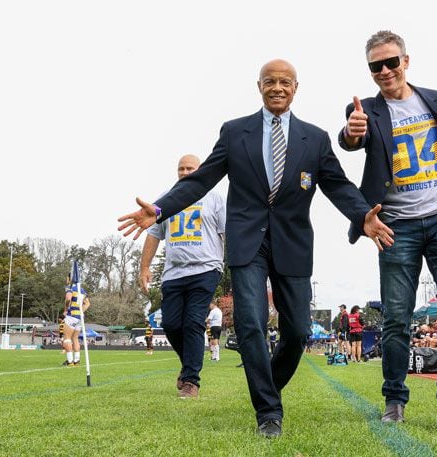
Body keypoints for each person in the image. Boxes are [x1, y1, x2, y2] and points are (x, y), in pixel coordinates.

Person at [118, 59, 390, 437]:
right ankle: (268, 412)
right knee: (250, 324)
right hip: (248, 243)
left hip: (293, 244)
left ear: (296, 88)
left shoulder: (315, 138)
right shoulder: (235, 133)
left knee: (296, 332)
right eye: (269, 82)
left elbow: (338, 185)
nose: (277, 88)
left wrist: (363, 217)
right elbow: (200, 182)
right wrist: (161, 208)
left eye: (285, 82)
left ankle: (267, 386)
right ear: (258, 86)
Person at [338, 30, 437, 430]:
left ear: (406, 61)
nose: (385, 71)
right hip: (395, 228)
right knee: (397, 318)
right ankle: (394, 401)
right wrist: (352, 133)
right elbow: (353, 137)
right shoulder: (367, 109)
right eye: (376, 66)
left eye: (391, 62)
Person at [138, 154, 226, 398]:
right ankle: (188, 364)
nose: (185, 172)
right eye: (181, 169)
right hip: (173, 273)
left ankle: (191, 381)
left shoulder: (215, 197)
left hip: (206, 268)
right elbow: (154, 233)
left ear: (201, 170)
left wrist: (238, 267)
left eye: (190, 168)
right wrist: (144, 267)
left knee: (193, 322)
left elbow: (227, 232)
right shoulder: (167, 199)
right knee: (171, 324)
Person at [63, 273, 91, 367]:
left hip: (71, 316)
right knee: (75, 339)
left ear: (70, 279)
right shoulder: (82, 290)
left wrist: (66, 309)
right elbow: (87, 304)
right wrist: (81, 311)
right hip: (80, 317)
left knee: (67, 338)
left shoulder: (70, 288)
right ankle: (77, 361)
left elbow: (68, 298)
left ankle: (70, 361)